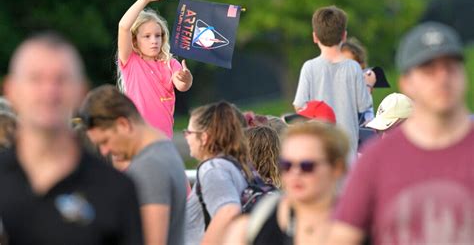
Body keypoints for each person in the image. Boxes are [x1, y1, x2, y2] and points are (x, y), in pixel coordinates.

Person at [328, 22, 474, 244]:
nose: (442, 77)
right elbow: (342, 237)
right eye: (428, 70)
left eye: (451, 66)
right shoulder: (375, 160)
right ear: (406, 83)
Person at [0, 32, 143, 244]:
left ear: (81, 91)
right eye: (35, 78)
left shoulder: (116, 190)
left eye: (61, 79)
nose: (49, 91)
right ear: (10, 90)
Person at [79, 85, 188, 245]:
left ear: (123, 124)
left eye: (105, 141)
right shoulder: (164, 148)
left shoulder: (149, 167)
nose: (104, 151)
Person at [225, 121, 349, 245]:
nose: (295, 173)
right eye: (286, 165)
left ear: (337, 168)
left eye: (307, 166)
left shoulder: (358, 224)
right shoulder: (256, 220)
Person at [293, 6, 372, 164]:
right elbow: (364, 105)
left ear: (315, 37)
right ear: (344, 36)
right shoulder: (353, 67)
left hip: (320, 147)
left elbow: (299, 106)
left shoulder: (309, 67)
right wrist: (369, 85)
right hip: (347, 149)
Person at [118, 0, 193, 138]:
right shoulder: (131, 60)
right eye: (147, 36)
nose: (154, 41)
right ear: (134, 40)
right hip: (135, 136)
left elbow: (182, 85)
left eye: (158, 36)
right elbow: (123, 26)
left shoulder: (170, 62)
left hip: (163, 138)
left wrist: (186, 79)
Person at [183, 101, 251, 245]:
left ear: (204, 137)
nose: (186, 137)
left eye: (189, 132)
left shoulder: (213, 169)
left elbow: (228, 211)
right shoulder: (237, 166)